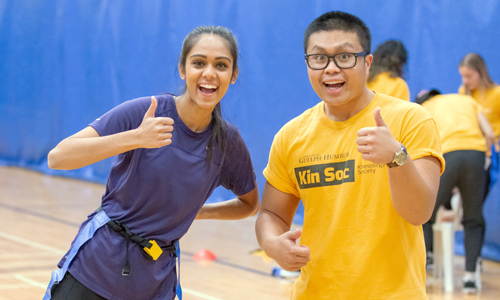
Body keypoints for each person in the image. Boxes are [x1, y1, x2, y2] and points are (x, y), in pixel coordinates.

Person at [43, 25, 260, 300]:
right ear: (183, 69)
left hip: (154, 282)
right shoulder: (146, 112)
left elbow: (250, 204)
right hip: (96, 268)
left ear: (233, 75)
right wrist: (136, 137)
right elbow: (58, 157)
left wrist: (195, 212)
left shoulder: (228, 142)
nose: (209, 73)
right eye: (198, 63)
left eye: (221, 65)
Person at [255, 11, 444, 299]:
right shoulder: (291, 136)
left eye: (344, 57)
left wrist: (396, 158)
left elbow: (419, 212)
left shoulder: (411, 119)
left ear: (367, 63)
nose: (331, 68)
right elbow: (271, 213)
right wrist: (272, 244)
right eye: (319, 58)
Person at [416, 89, 494, 294]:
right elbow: (490, 133)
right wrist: (485, 158)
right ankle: (470, 277)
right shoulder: (467, 101)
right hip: (476, 153)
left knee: (424, 212)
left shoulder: (424, 109)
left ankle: (428, 257)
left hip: (448, 154)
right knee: (473, 218)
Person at [459, 53, 500, 192]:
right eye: (462, 76)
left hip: (490, 154)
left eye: (469, 76)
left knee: (476, 201)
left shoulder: (496, 93)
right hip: (468, 152)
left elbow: (491, 133)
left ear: (480, 73)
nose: (465, 80)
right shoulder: (463, 92)